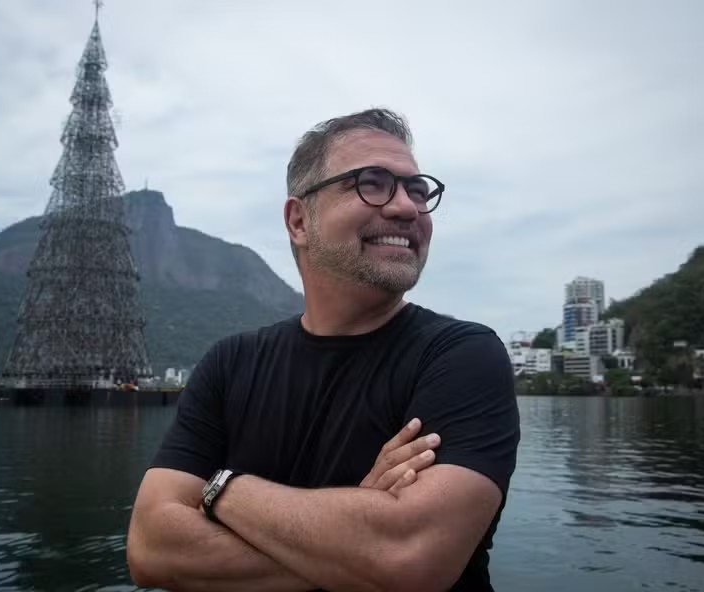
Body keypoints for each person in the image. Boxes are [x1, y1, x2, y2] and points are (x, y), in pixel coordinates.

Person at [126, 108, 520, 592]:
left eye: (417, 190)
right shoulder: (228, 364)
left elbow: (408, 555)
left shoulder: (462, 357)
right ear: (299, 221)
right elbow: (150, 547)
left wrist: (222, 489)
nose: (407, 208)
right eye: (372, 183)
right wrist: (354, 535)